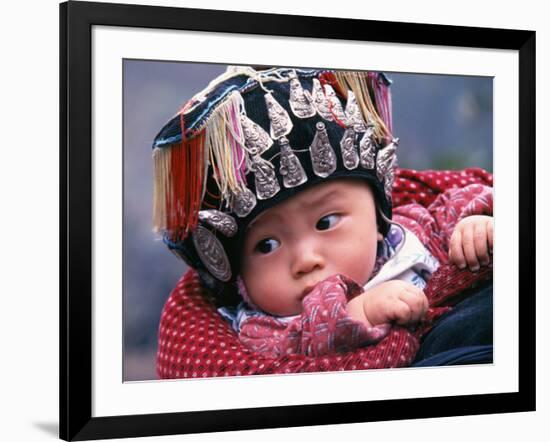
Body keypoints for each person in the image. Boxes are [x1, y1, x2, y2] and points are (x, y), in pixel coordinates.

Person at [152, 66, 493, 367]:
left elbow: (457, 204)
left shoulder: (410, 231)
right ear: (239, 281)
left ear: (378, 219)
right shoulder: (263, 329)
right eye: (267, 244)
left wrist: (475, 225)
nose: (305, 260)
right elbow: (294, 346)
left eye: (326, 222)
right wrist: (359, 314)